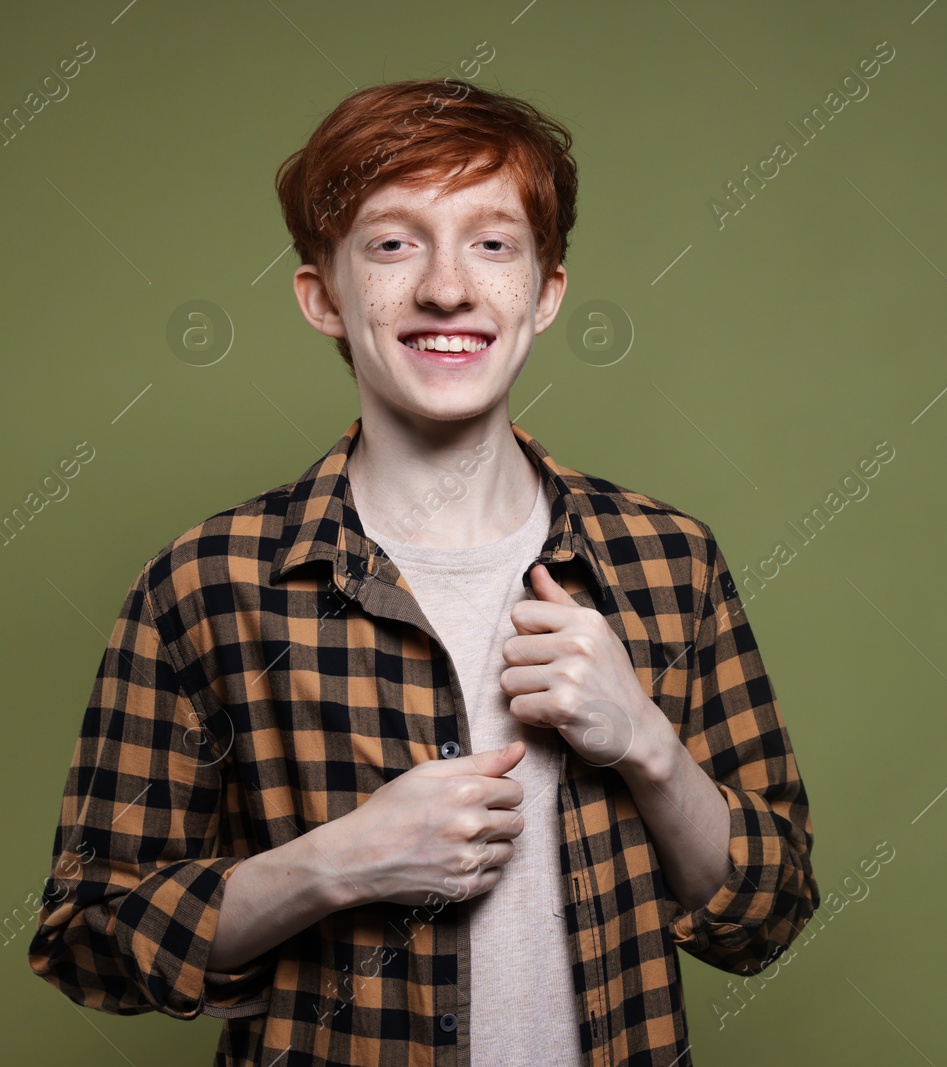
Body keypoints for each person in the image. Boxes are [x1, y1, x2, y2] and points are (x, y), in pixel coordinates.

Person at [28, 78, 818, 1067]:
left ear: (545, 290)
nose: (448, 286)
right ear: (323, 295)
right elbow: (86, 941)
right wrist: (332, 864)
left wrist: (647, 744)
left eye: (492, 243)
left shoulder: (668, 560)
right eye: (396, 242)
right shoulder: (205, 584)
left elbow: (769, 913)